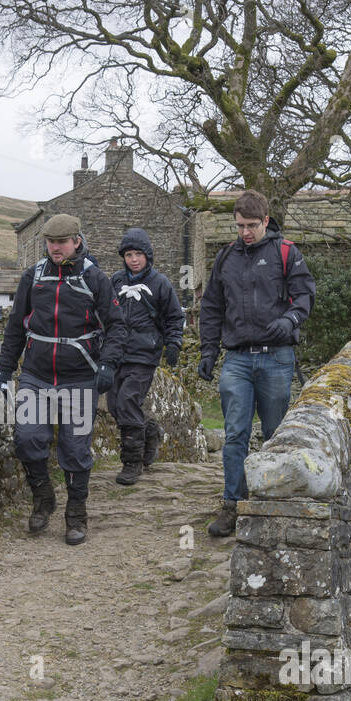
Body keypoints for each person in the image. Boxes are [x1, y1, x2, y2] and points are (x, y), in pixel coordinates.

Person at [0, 214, 125, 545]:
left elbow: (116, 326)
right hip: (36, 376)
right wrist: (4, 370)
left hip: (80, 377)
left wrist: (108, 365)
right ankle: (43, 499)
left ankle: (76, 515)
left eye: (62, 242)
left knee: (76, 448)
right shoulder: (33, 277)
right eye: (51, 243)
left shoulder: (95, 279)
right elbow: (14, 326)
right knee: (26, 439)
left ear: (76, 241)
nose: (56, 248)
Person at [198, 190, 315, 537]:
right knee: (235, 433)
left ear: (266, 221)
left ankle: (272, 500)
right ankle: (232, 504)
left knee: (276, 432)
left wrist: (291, 320)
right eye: (239, 226)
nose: (245, 232)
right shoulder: (225, 257)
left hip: (277, 358)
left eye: (251, 225)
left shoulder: (286, 253)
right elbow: (212, 307)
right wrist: (208, 350)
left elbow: (305, 294)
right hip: (236, 358)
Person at [107, 227, 184, 485]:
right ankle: (150, 430)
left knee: (128, 400)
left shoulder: (160, 283)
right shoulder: (116, 281)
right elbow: (104, 313)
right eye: (129, 254)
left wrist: (173, 344)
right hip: (117, 353)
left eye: (138, 254)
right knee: (114, 404)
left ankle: (132, 463)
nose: (134, 259)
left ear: (148, 256)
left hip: (144, 353)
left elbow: (175, 316)